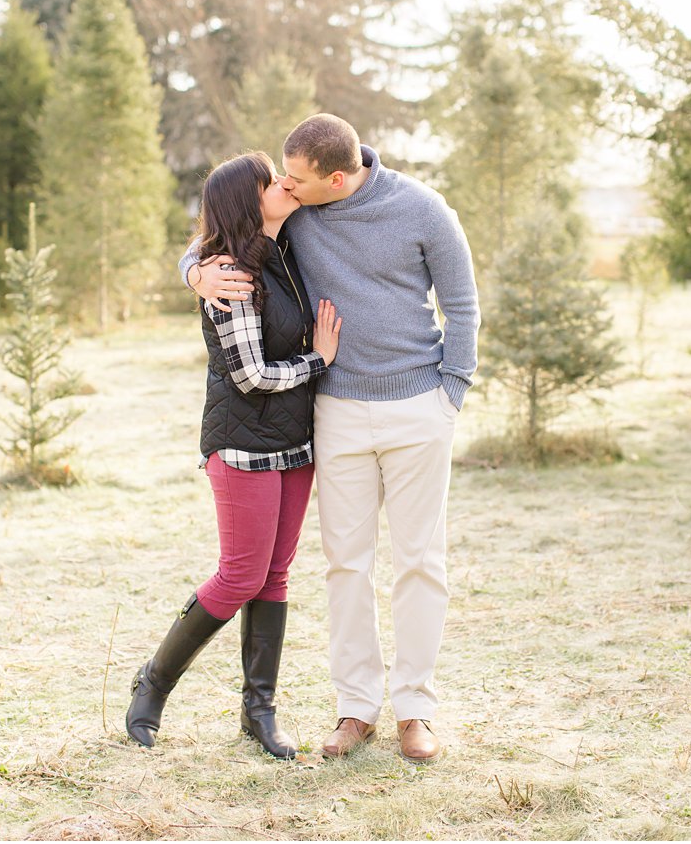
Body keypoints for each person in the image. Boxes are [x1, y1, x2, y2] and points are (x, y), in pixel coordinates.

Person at [183, 114, 478, 764]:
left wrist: (449, 392)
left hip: (417, 408)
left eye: (296, 179)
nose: (284, 187)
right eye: (282, 178)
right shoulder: (301, 213)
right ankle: (356, 708)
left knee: (420, 561)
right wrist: (194, 272)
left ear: (335, 178)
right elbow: (221, 234)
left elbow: (462, 305)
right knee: (346, 563)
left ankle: (416, 711)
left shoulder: (423, 210)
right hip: (337, 412)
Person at [127, 151, 341, 759]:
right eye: (269, 180)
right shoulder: (231, 274)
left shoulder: (285, 248)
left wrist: (188, 265)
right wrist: (319, 360)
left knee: (275, 574)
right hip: (242, 443)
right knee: (240, 574)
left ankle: (259, 711)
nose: (283, 183)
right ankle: (152, 684)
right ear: (247, 203)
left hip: (295, 444)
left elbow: (193, 249)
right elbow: (250, 376)